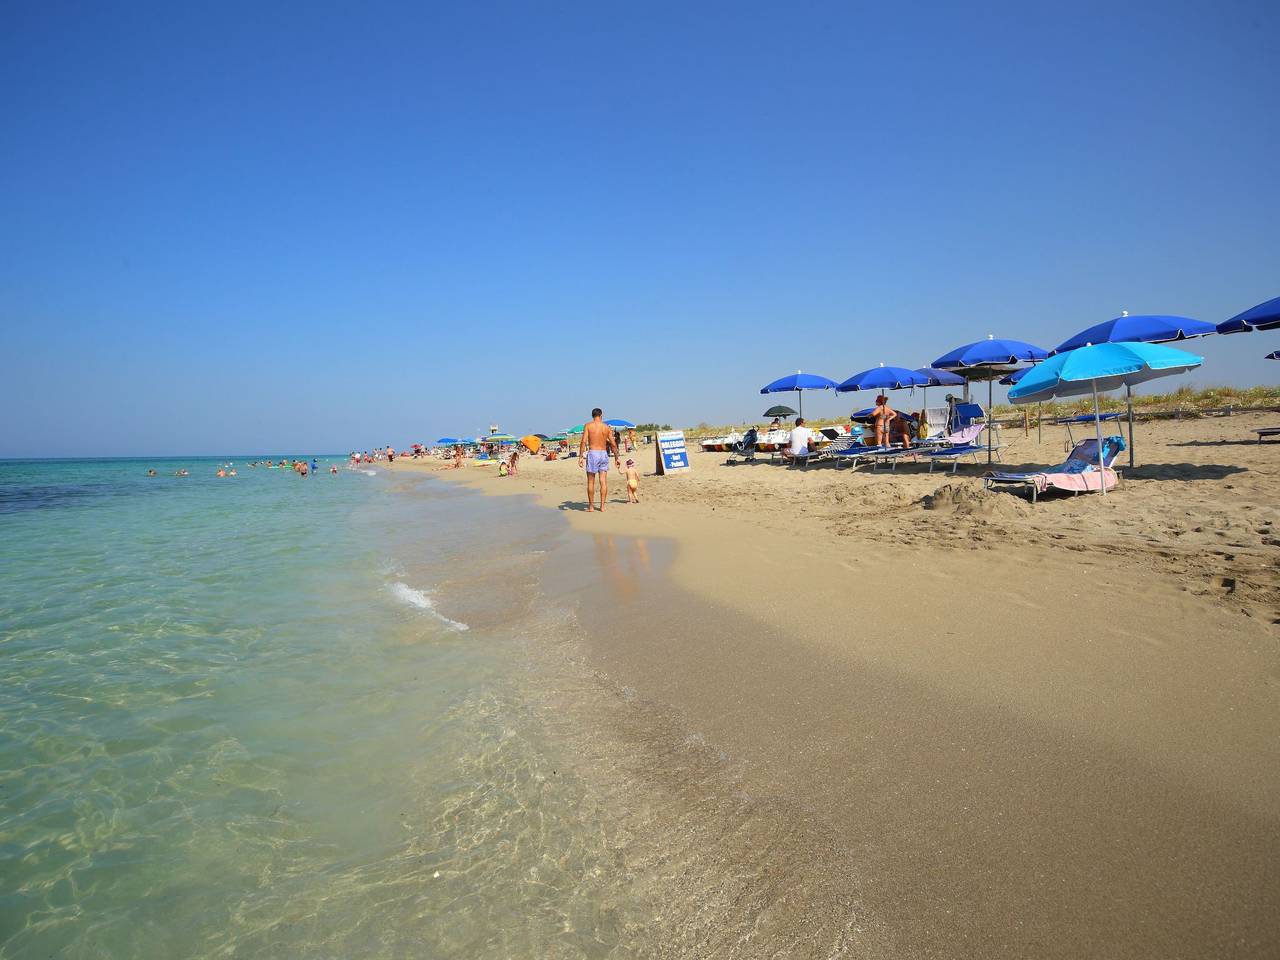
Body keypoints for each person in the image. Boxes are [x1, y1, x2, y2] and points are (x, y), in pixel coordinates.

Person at [579, 407, 619, 512]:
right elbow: (613, 444)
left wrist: (580, 457)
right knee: (603, 481)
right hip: (603, 453)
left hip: (593, 453)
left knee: (591, 482)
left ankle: (591, 507)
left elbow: (583, 441)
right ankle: (602, 506)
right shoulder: (606, 427)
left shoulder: (588, 426)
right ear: (601, 416)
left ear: (592, 416)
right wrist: (616, 457)